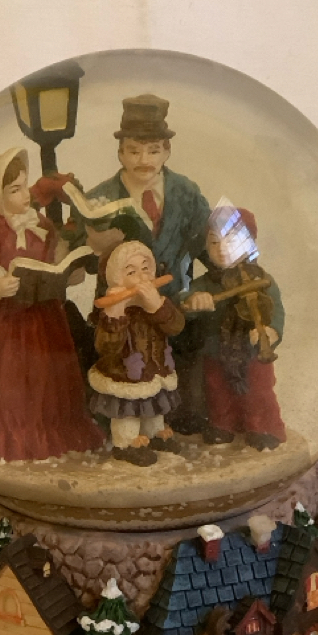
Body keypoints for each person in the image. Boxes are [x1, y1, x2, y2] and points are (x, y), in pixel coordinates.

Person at [80, 95, 212, 431]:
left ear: (167, 151)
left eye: (153, 150)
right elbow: (78, 256)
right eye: (134, 150)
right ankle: (121, 431)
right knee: (126, 376)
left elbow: (208, 247)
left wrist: (208, 288)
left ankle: (173, 426)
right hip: (123, 315)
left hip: (175, 306)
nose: (144, 160)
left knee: (181, 391)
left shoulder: (186, 192)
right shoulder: (99, 199)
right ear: (120, 152)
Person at [0, 147, 103, 461]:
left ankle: (57, 431)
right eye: (14, 190)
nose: (25, 194)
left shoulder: (41, 224)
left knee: (49, 375)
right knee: (14, 378)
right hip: (8, 322)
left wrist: (68, 270)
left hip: (46, 317)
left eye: (25, 186)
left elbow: (56, 260)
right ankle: (16, 436)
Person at [183, 202, 286, 451]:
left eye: (231, 240)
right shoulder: (205, 283)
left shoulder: (262, 280)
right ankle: (222, 424)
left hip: (252, 351)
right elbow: (183, 303)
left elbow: (276, 311)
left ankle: (261, 427)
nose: (221, 249)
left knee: (258, 391)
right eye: (214, 242)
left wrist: (271, 330)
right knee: (217, 389)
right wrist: (193, 301)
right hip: (216, 349)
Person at [89, 241, 185, 466]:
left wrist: (157, 307)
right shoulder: (114, 311)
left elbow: (177, 326)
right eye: (131, 272)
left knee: (154, 407)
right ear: (117, 279)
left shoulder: (156, 302)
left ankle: (154, 433)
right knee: (128, 412)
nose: (142, 277)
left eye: (145, 268)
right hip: (124, 375)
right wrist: (115, 314)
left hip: (155, 369)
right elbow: (106, 348)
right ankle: (127, 442)